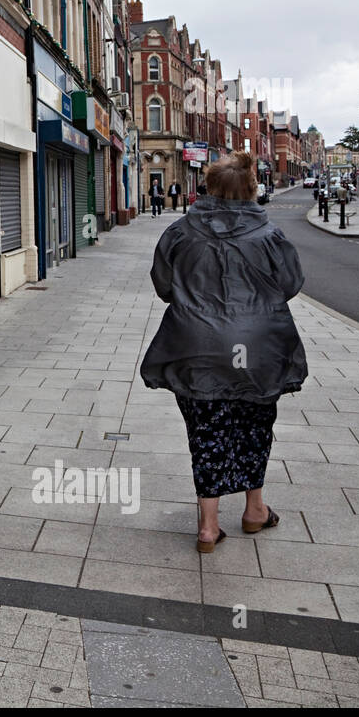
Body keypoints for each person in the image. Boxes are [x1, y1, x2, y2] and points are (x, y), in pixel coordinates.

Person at [139, 151, 307, 553]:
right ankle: (254, 510)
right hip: (258, 348)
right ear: (252, 190)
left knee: (206, 432)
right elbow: (291, 283)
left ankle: (208, 527)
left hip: (197, 346)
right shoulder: (270, 236)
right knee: (255, 427)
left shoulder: (180, 232)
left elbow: (163, 286)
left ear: (208, 187)